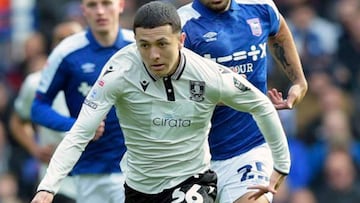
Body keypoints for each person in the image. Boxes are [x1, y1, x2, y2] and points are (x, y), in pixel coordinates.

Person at [31, 2, 291, 203]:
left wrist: (281, 165)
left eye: (162, 44)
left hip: (193, 181)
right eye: (144, 45)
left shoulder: (207, 74)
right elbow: (80, 132)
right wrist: (47, 187)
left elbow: (261, 104)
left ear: (181, 40)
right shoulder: (118, 73)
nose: (153, 55)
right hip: (139, 188)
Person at [177, 1, 308, 203]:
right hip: (193, 158)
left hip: (249, 149)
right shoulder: (180, 24)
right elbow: (169, 89)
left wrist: (299, 81)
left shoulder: (261, 7)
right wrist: (221, 92)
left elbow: (279, 31)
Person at [30, 0, 134, 202]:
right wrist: (78, 125)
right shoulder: (66, 52)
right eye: (93, 5)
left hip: (135, 169)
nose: (100, 11)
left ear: (121, 5)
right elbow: (38, 107)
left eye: (107, 3)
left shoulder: (138, 46)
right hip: (88, 172)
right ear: (83, 9)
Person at [9, 21, 83, 203]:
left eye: (73, 39)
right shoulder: (36, 83)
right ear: (52, 46)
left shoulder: (101, 79)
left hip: (96, 180)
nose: (66, 44)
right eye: (60, 39)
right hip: (56, 185)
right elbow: (17, 121)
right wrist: (34, 149)